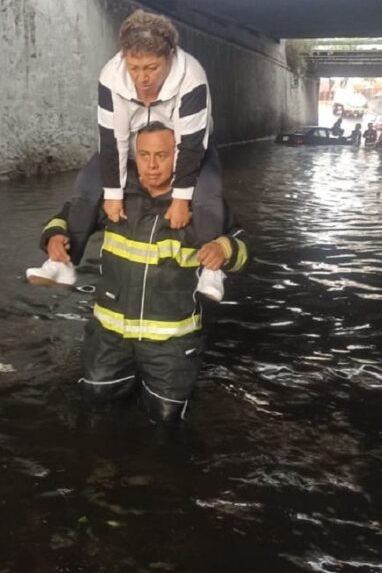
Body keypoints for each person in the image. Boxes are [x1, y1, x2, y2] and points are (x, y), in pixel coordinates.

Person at [27, 123, 249, 423]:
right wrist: (54, 238)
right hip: (109, 339)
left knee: (165, 422)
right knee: (96, 409)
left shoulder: (201, 205)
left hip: (171, 346)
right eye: (144, 155)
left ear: (179, 158)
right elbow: (66, 217)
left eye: (161, 155)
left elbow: (245, 246)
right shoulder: (113, 199)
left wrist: (225, 249)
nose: (152, 165)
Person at [24, 9, 228, 302]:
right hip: (133, 148)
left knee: (207, 195)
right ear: (124, 59)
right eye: (134, 68)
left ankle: (211, 272)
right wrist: (113, 193)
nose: (142, 78)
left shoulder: (192, 75)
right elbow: (111, 141)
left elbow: (191, 143)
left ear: (170, 57)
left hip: (185, 148)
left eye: (152, 68)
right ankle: (63, 264)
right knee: (86, 186)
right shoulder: (111, 75)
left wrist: (182, 198)